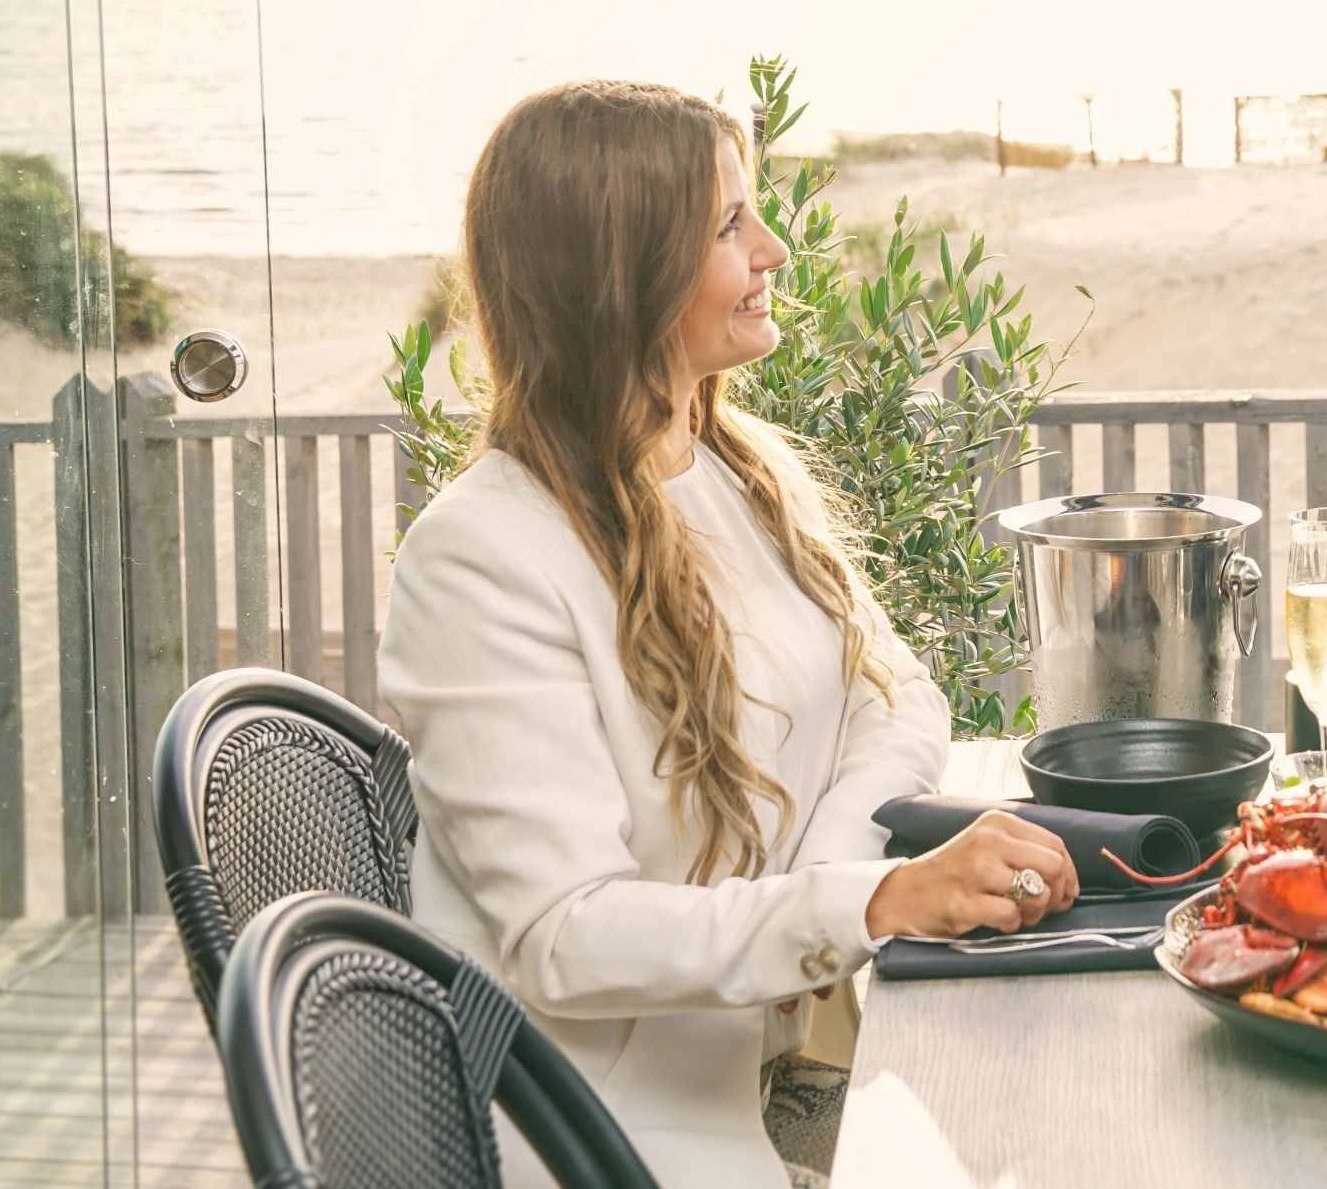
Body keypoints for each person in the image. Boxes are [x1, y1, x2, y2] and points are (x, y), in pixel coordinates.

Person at [379, 81, 1080, 1189]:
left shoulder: (732, 468)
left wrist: (841, 889)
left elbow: (893, 696)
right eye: (726, 224)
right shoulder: (480, 560)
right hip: (603, 1136)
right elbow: (565, 937)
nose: (774, 249)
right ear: (622, 273)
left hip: (767, 1076)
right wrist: (868, 904)